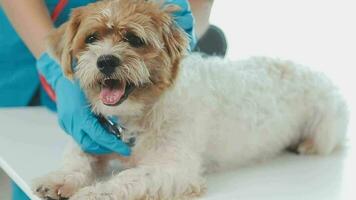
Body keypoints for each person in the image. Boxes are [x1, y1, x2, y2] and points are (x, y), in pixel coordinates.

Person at [0, 0, 225, 199]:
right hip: (24, 41)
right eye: (92, 39)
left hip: (152, 32)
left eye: (133, 40)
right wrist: (56, 68)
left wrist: (180, 29)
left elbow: (200, 4)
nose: (107, 55)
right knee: (23, 164)